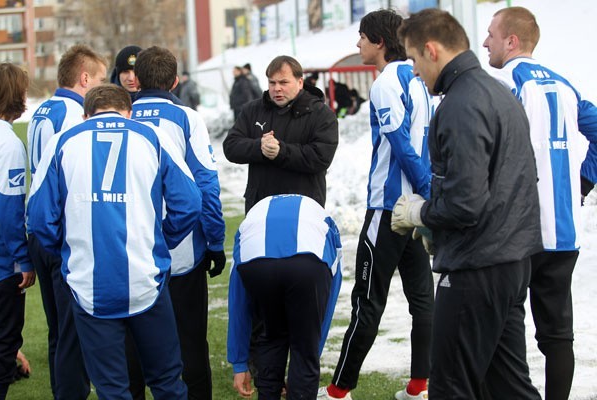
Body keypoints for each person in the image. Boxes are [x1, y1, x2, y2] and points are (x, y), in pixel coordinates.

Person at [393, 8, 544, 399]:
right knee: (509, 386)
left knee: (451, 386)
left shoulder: (460, 104)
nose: (412, 70)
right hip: (511, 262)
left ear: (431, 50)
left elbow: (465, 204)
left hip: (476, 268)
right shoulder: (497, 92)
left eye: (412, 59)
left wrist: (420, 214)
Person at [26, 84, 202, 399]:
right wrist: (161, 239)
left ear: (85, 115)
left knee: (111, 389)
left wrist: (69, 250)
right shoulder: (151, 137)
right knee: (167, 382)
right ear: (129, 112)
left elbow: (39, 218)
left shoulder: (63, 142)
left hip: (90, 283)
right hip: (146, 277)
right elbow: (189, 203)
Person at [318, 10, 434, 400]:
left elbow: (401, 145)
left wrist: (428, 190)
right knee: (423, 300)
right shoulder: (418, 79)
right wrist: (427, 197)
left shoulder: (387, 81)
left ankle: (338, 391)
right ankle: (419, 386)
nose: (358, 45)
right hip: (415, 208)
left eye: (362, 37)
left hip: (388, 208)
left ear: (379, 41)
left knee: (367, 301)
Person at [483, 7, 597, 399]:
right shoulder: (565, 86)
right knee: (557, 334)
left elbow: (489, 152)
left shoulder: (505, 85)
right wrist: (581, 182)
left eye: (491, 35)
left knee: (498, 326)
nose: (485, 43)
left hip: (519, 233)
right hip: (563, 232)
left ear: (511, 41)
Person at [132, 46, 226, 400]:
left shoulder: (123, 113)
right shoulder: (187, 117)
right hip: (181, 247)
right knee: (189, 340)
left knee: (134, 342)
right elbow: (205, 185)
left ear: (136, 79)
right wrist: (215, 242)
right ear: (175, 80)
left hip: (133, 247)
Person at [26, 44, 107, 400]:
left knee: (58, 330)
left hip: (38, 230)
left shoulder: (44, 108)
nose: (103, 88)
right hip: (60, 231)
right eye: (101, 80)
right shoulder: (75, 113)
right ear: (85, 78)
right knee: (73, 332)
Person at [227, 194, 343, 399]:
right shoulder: (323, 220)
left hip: (257, 263)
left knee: (271, 338)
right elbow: (328, 301)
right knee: (303, 348)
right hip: (308, 263)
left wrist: (239, 362)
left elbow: (238, 302)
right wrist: (311, 351)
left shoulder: (250, 221)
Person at [224, 55, 339, 213]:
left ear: (299, 82)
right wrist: (260, 146)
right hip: (260, 207)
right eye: (272, 82)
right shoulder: (252, 110)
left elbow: (320, 157)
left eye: (283, 82)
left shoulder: (321, 114)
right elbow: (230, 146)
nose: (277, 88)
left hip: (303, 209)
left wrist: (281, 151)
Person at [0, 62, 35, 400]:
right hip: (0, 268)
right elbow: (9, 211)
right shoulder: (8, 144)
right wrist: (23, 260)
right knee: (3, 348)